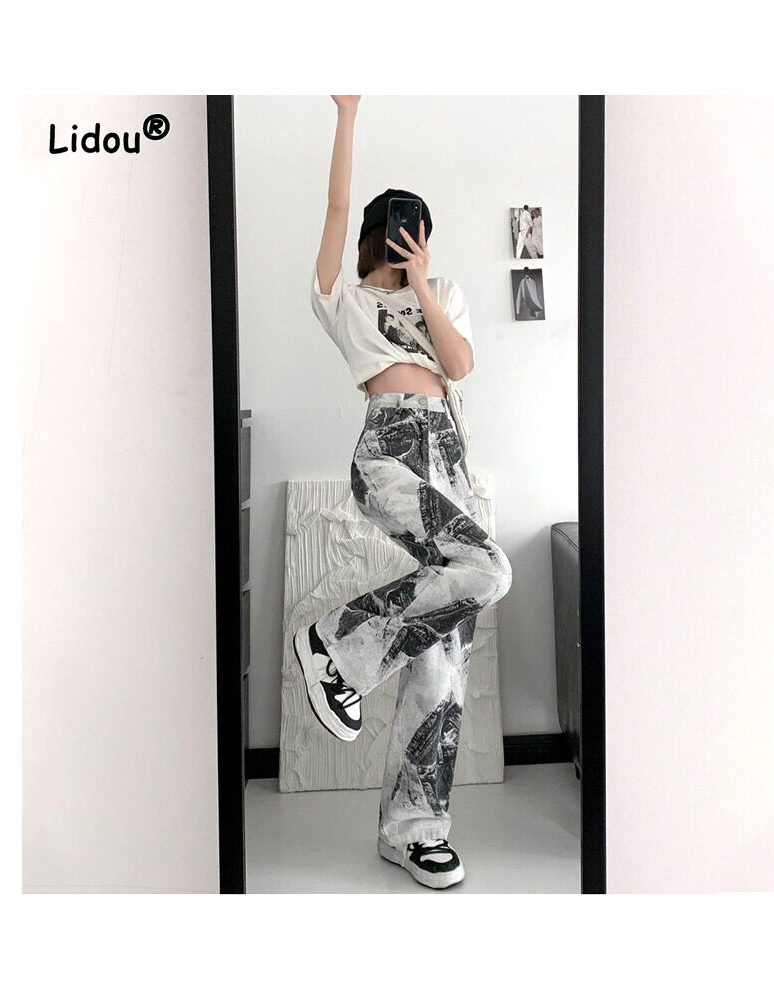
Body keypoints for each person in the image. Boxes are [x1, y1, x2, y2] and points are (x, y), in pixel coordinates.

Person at [291, 95, 513, 890]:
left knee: (442, 655)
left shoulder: (441, 291)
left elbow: (459, 367)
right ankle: (336, 645)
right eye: (394, 231)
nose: (404, 240)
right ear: (371, 238)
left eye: (416, 232)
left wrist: (421, 282)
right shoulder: (343, 300)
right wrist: (347, 115)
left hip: (447, 454)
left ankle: (413, 831)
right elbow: (335, 206)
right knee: (490, 570)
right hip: (390, 449)